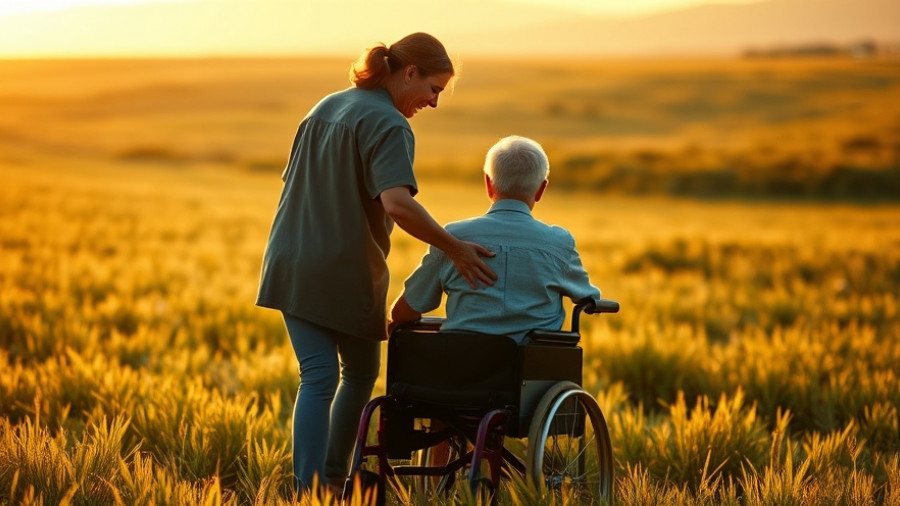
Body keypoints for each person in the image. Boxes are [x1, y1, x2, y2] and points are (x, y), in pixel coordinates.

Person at [255, 33, 496, 495]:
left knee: (320, 376)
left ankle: (311, 491)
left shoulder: (324, 106)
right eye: (433, 89)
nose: (433, 103)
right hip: (344, 272)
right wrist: (455, 248)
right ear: (409, 73)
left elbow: (296, 183)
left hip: (289, 263)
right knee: (350, 375)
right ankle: (325, 483)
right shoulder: (390, 124)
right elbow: (398, 205)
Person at [389, 135, 600, 339]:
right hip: (536, 372)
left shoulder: (453, 238)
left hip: (459, 371)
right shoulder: (559, 243)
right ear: (541, 189)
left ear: (488, 184)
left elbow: (403, 313)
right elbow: (589, 298)